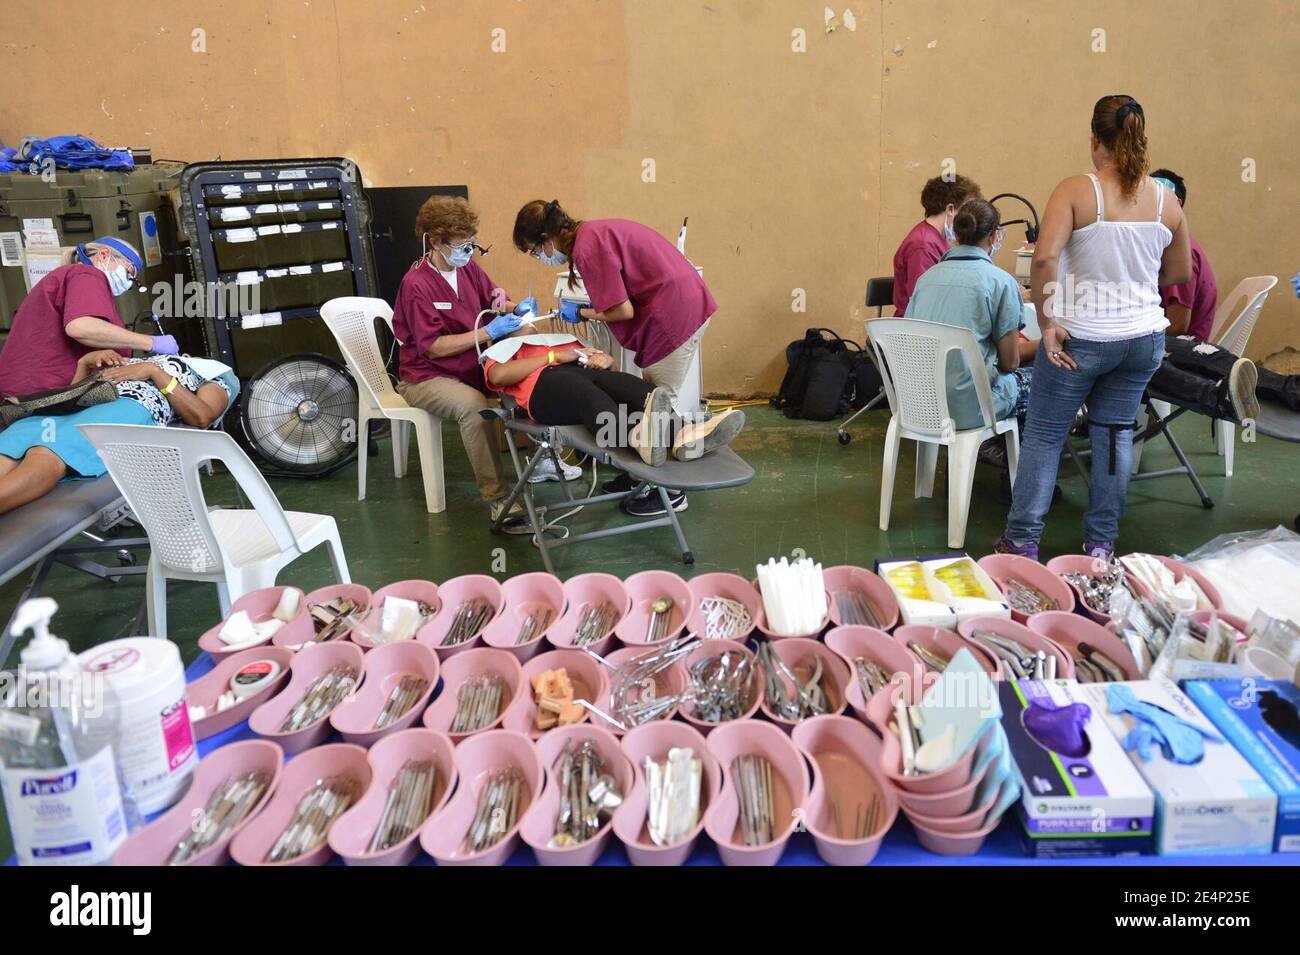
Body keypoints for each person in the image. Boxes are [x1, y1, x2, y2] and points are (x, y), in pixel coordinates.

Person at [996, 94, 1192, 561]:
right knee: (1114, 433)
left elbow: (1043, 258)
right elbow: (1181, 271)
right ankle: (1101, 542)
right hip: (1142, 338)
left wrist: (1046, 324)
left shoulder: (1075, 190)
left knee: (1044, 433)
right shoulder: (1166, 198)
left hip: (1080, 337)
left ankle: (1022, 540)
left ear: (1094, 139)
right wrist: (1133, 281)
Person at [512, 200, 715, 516]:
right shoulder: (593, 234)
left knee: (658, 400)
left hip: (677, 313)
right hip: (681, 303)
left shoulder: (588, 248)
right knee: (649, 396)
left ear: (546, 239)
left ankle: (672, 491)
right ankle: (639, 475)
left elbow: (622, 310)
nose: (541, 258)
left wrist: (580, 312)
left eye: (536, 251)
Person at [392, 195, 556, 534]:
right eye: (462, 246)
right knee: (473, 407)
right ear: (435, 242)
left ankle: (542, 464)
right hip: (426, 376)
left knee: (529, 367)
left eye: (472, 245)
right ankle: (498, 500)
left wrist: (512, 308)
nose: (469, 252)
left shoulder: (467, 268)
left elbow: (494, 297)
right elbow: (433, 348)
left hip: (469, 366)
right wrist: (487, 332)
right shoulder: (416, 284)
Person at [0, 351, 237, 515]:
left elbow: (202, 417)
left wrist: (155, 372)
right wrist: (84, 365)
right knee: (11, 444)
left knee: (49, 451)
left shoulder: (212, 372)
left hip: (131, 405)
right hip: (78, 403)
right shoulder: (140, 360)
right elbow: (67, 396)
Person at [480, 332, 744, 467]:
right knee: (583, 392)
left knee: (626, 384)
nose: (525, 324)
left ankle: (685, 436)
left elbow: (613, 374)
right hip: (544, 390)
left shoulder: (558, 339)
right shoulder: (503, 350)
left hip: (583, 374)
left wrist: (609, 361)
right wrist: (553, 358)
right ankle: (637, 439)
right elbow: (499, 376)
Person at [904, 198, 1031, 430]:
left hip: (921, 405)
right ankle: (1002, 450)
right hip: (970, 409)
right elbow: (1011, 362)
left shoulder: (926, 280)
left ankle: (987, 447)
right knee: (1039, 379)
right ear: (994, 235)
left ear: (957, 233)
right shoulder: (1001, 282)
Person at [0, 237, 179, 398]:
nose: (128, 282)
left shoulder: (74, 279)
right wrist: (151, 342)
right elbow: (81, 327)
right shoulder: (86, 274)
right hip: (39, 394)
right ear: (103, 254)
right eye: (129, 273)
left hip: (31, 392)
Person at [892, 174, 983, 317]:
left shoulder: (936, 239)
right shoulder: (922, 246)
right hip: (916, 330)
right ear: (951, 209)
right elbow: (926, 302)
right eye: (967, 212)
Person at [1150, 168, 1218, 340]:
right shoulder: (1166, 245)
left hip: (1179, 351)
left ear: (1177, 206)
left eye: (1156, 202)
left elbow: (1177, 326)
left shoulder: (1176, 252)